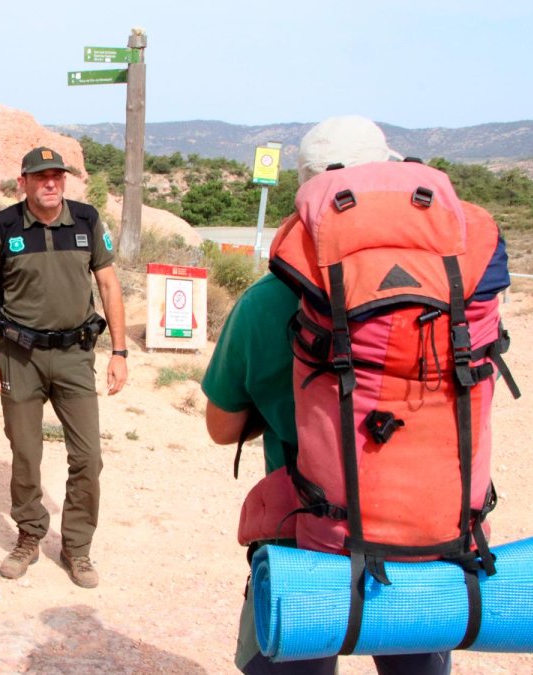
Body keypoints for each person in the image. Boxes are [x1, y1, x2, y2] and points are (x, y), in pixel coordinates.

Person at [202, 116, 451, 674]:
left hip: (308, 541)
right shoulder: (450, 290)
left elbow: (221, 427)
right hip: (425, 534)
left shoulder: (267, 300)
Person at [0, 146, 128, 589]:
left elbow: (109, 285)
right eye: (41, 176)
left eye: (57, 175)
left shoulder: (86, 221)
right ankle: (29, 535)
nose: (51, 183)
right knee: (26, 452)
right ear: (24, 182)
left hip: (76, 356)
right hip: (19, 358)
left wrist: (119, 352)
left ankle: (77, 546)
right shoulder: (3, 226)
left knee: (88, 457)